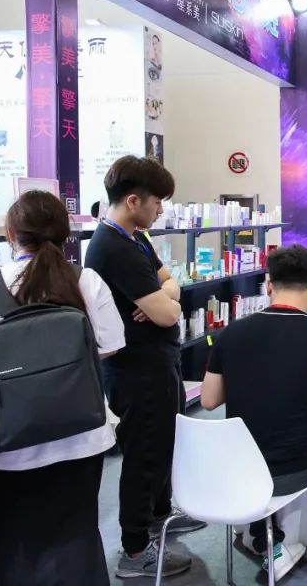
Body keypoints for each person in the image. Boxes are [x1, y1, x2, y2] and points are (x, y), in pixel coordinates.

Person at [0, 191, 124, 586]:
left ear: (10, 234)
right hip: (82, 438)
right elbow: (111, 344)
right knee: (76, 537)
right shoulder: (86, 281)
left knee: (8, 543)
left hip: (6, 446)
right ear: (65, 234)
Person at [201, 245, 307, 578]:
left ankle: (270, 545)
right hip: (297, 467)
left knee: (256, 445)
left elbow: (208, 400)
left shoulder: (231, 333)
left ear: (269, 285)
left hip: (240, 468)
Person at [84, 156, 202, 579]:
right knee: (144, 456)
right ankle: (135, 551)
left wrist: (160, 297)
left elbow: (171, 285)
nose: (161, 209)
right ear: (133, 201)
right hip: (137, 370)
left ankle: (158, 518)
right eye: (157, 202)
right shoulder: (113, 247)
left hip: (157, 362)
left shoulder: (134, 237)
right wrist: (163, 303)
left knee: (163, 446)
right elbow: (170, 313)